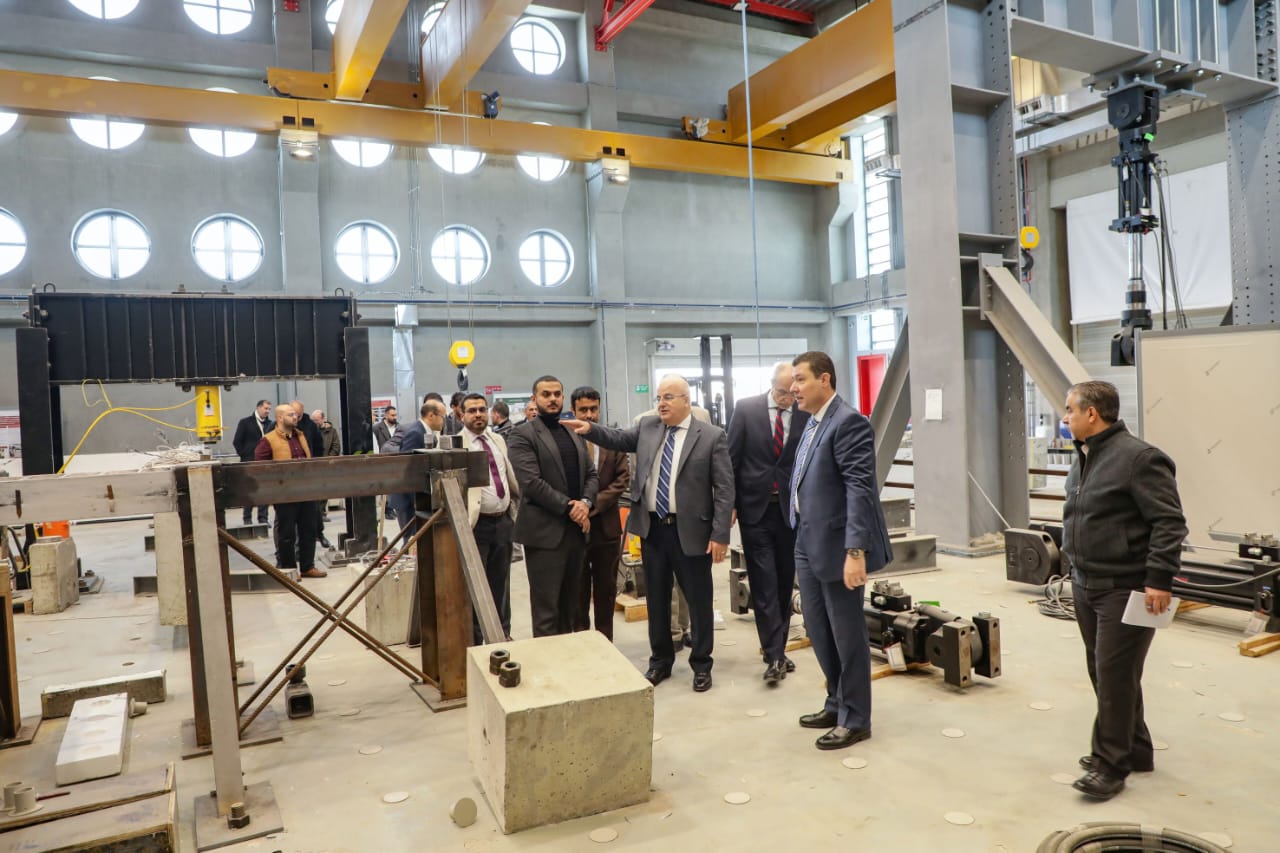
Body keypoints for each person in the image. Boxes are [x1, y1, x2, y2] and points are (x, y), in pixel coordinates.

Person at [564, 375, 733, 693]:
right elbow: (617, 438)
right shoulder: (648, 427)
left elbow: (724, 489)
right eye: (659, 398)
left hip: (691, 530)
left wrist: (720, 534)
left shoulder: (711, 437)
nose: (661, 404)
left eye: (668, 397)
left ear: (686, 401)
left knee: (698, 600)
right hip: (653, 529)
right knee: (656, 598)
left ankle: (701, 664)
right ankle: (660, 661)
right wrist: (590, 429)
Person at [1061, 380, 1187, 800]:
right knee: (1106, 672)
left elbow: (1169, 522)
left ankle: (1110, 765)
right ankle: (1136, 748)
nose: (1065, 417)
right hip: (1086, 582)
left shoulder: (1139, 459)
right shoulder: (1085, 457)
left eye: (1069, 410)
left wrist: (1159, 579)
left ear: (1091, 413)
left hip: (1125, 587)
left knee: (1115, 676)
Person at [787, 351, 892, 750]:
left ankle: (856, 718)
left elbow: (859, 489)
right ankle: (836, 702)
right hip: (807, 540)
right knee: (818, 629)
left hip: (837, 546)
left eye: (800, 379)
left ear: (825, 379)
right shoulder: (813, 421)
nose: (793, 388)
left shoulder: (848, 422)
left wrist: (855, 550)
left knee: (847, 636)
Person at [727, 362, 809, 686]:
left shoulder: (804, 413)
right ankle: (774, 655)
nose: (788, 398)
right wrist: (731, 504)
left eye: (792, 393)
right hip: (755, 510)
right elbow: (731, 460)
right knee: (764, 583)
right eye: (782, 392)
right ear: (772, 386)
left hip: (789, 511)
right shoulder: (746, 410)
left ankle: (778, 649)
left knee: (785, 583)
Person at [507, 376, 599, 637]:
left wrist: (585, 503)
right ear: (534, 399)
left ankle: (566, 659)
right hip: (545, 535)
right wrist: (571, 508)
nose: (552, 399)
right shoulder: (522, 435)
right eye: (546, 394)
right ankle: (546, 662)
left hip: (576, 533)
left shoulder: (572, 431)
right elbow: (531, 483)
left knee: (571, 609)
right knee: (547, 612)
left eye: (557, 394)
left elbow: (591, 475)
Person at [570, 387, 631, 641]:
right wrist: (577, 508)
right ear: (573, 410)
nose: (589, 415)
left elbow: (622, 479)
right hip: (574, 526)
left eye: (593, 409)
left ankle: (605, 643)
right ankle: (582, 643)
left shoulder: (611, 439)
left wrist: (592, 506)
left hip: (606, 527)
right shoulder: (566, 440)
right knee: (578, 591)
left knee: (606, 591)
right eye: (583, 409)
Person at [459, 393, 519, 641]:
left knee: (501, 583)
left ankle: (503, 634)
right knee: (476, 587)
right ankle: (477, 640)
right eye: (472, 410)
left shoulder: (497, 440)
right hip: (476, 526)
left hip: (503, 522)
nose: (478, 415)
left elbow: (508, 476)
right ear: (461, 415)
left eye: (482, 410)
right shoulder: (457, 445)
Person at [254, 404, 326, 578]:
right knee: (286, 534)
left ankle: (307, 567)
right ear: (280, 418)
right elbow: (259, 468)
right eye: (290, 415)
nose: (295, 417)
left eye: (295, 414)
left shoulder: (300, 436)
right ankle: (289, 569)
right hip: (284, 494)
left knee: (308, 530)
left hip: (306, 491)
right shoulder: (268, 440)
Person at [387, 400, 446, 531]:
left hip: (416, 499)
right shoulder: (416, 433)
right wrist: (417, 503)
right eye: (443, 417)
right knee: (412, 538)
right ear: (431, 415)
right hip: (408, 501)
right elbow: (407, 469)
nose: (444, 421)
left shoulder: (426, 432)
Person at [291, 401, 331, 550]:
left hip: (309, 472)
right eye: (293, 414)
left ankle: (319, 534)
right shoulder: (281, 426)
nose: (295, 418)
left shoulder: (310, 426)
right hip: (290, 476)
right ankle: (295, 543)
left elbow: (319, 447)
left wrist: (315, 464)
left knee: (314, 507)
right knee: (292, 511)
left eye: (298, 415)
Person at [232, 399, 272, 525]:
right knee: (249, 490)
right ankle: (247, 518)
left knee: (264, 490)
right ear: (258, 408)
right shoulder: (245, 423)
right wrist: (245, 455)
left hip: (265, 462)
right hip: (249, 461)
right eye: (265, 408)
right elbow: (237, 441)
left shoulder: (270, 424)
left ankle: (263, 518)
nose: (267, 411)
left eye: (269, 409)